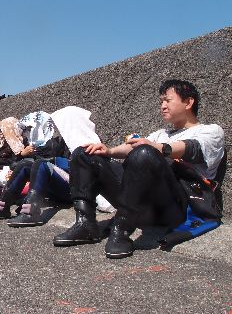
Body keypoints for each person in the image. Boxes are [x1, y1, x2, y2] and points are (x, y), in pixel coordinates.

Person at [52, 80, 225, 259]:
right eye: (161, 102)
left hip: (176, 207)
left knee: (144, 153)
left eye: (168, 100)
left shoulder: (211, 131)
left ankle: (122, 229)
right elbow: (134, 148)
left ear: (188, 102)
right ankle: (85, 225)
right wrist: (108, 150)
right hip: (141, 203)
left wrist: (157, 148)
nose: (163, 106)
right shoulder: (161, 133)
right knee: (85, 153)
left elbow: (192, 148)